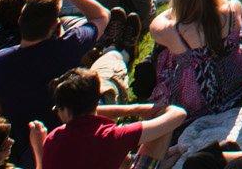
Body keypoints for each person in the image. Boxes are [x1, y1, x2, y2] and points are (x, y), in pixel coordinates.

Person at [23, 69, 185, 169]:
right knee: (161, 127)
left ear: (66, 111)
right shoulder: (113, 136)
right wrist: (148, 109)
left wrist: (39, 149)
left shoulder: (54, 138)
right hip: (111, 141)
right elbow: (178, 115)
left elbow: (87, 117)